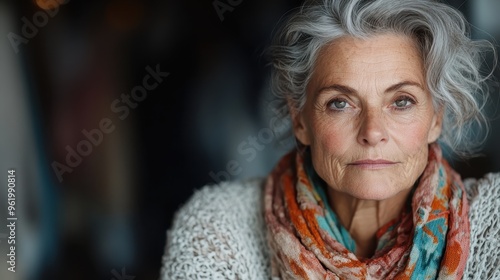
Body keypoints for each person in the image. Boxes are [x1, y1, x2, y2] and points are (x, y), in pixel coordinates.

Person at [161, 0, 500, 279]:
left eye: (401, 102)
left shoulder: (493, 221)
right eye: (340, 103)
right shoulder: (218, 228)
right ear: (300, 120)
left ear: (436, 118)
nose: (372, 132)